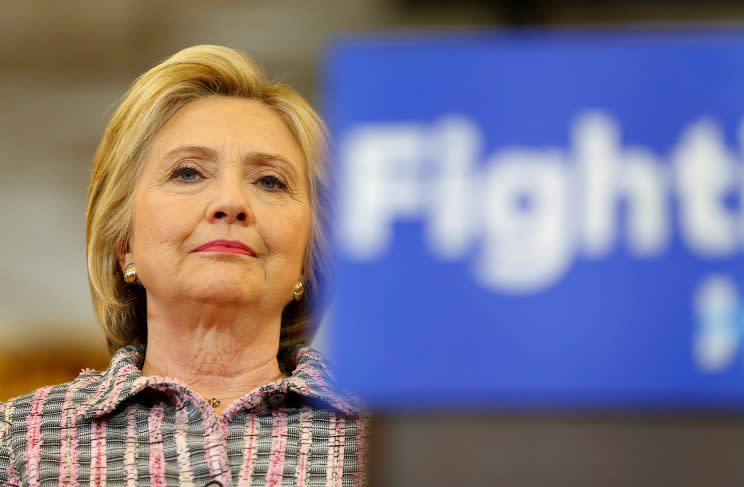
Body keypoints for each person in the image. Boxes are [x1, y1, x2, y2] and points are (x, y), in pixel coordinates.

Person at [0, 45, 367, 486]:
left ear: (311, 250)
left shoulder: (388, 443)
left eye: (270, 181)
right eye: (188, 173)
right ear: (124, 243)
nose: (231, 203)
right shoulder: (20, 444)